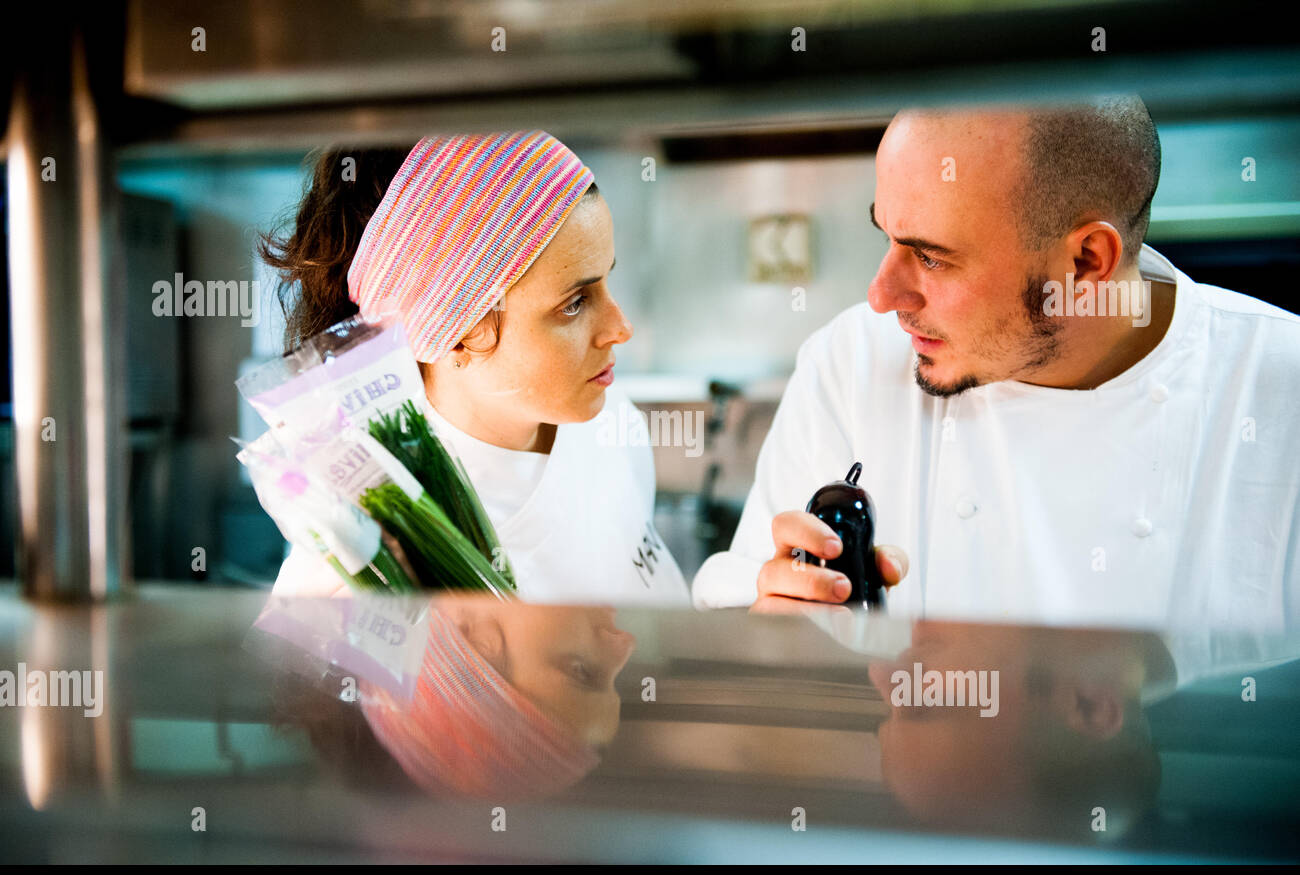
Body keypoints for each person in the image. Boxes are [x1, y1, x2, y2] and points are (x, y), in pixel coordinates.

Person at [692, 96, 1300, 637]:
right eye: (888, 237)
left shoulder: (1277, 384)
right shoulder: (849, 362)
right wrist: (777, 629)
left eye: (931, 258)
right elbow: (751, 605)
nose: (881, 296)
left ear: (1087, 265)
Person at [261, 131, 690, 605]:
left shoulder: (610, 421)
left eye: (606, 280)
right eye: (574, 303)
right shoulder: (380, 556)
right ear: (454, 329)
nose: (620, 327)